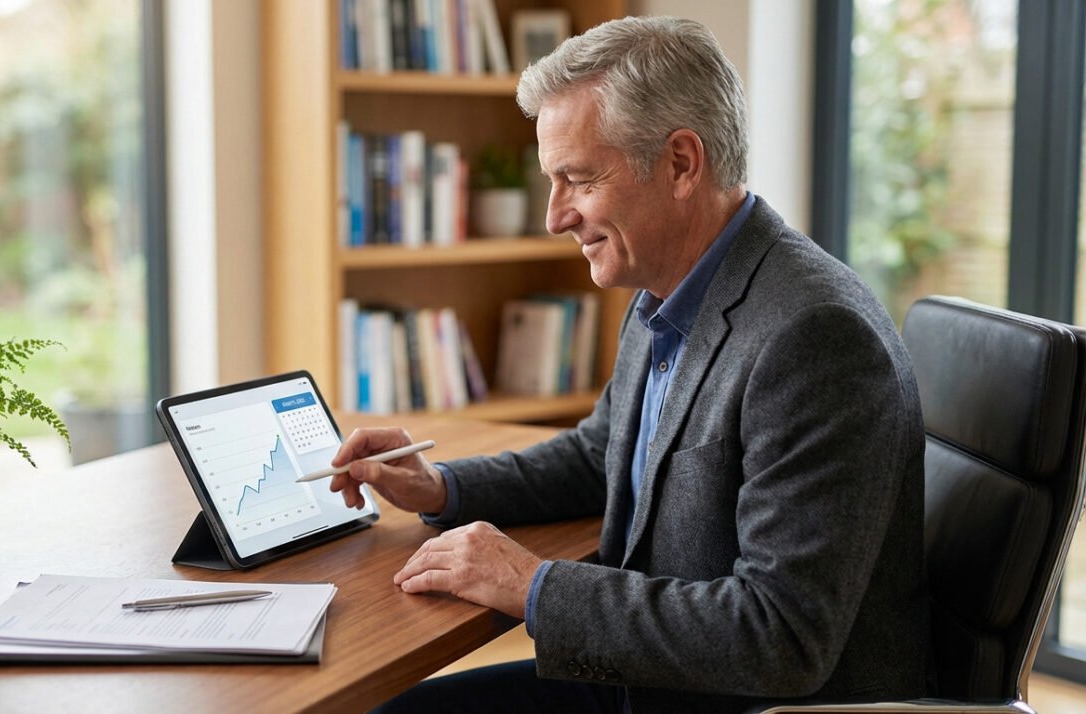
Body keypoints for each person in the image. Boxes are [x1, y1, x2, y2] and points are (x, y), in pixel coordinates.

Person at [330, 16, 931, 714]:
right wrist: (441, 487)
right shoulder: (667, 285)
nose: (555, 216)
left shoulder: (815, 337)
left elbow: (781, 636)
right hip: (657, 680)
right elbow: (602, 454)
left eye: (577, 180)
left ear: (680, 163)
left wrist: (532, 585)